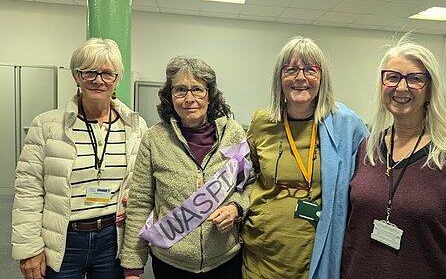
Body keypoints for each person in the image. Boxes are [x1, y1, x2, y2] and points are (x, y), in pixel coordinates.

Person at [341, 36, 446, 278]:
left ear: (430, 88)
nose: (401, 88)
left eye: (415, 79)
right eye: (392, 77)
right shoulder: (367, 149)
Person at [11, 37, 148, 279]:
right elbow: (28, 190)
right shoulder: (46, 126)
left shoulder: (135, 127)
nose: (98, 80)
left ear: (117, 79)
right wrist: (29, 248)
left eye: (107, 74)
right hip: (63, 239)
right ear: (76, 76)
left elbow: (140, 183)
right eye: (89, 72)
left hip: (112, 240)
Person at [241, 36, 368, 279]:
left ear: (322, 77)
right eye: (291, 69)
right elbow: (247, 177)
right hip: (261, 254)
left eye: (311, 69)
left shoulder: (347, 125)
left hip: (315, 257)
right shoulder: (261, 122)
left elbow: (366, 184)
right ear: (280, 77)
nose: (300, 77)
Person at [120, 56, 253, 279]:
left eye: (197, 90)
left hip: (225, 260)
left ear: (209, 95)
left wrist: (235, 209)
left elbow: (247, 183)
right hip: (171, 263)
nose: (189, 98)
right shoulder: (154, 139)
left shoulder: (234, 132)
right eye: (180, 90)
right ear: (170, 96)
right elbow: (140, 203)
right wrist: (133, 266)